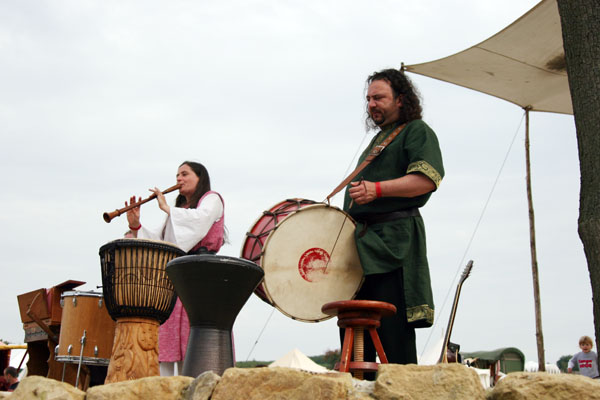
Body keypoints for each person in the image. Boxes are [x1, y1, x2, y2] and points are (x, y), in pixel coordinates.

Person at [342, 68, 444, 370]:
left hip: (392, 245)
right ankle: (359, 387)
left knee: (392, 333)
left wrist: (376, 189)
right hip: (362, 248)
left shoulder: (416, 131)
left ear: (400, 99)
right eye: (369, 99)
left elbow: (427, 180)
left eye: (379, 97)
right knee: (355, 327)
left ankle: (400, 388)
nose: (372, 104)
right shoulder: (381, 138)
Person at [125, 161, 225, 376]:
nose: (179, 179)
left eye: (184, 174)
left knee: (196, 332)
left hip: (203, 273)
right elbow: (162, 242)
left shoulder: (212, 199)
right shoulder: (179, 212)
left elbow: (201, 221)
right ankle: (167, 385)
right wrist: (136, 225)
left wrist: (167, 208)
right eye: (177, 175)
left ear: (200, 177)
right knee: (169, 333)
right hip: (179, 275)